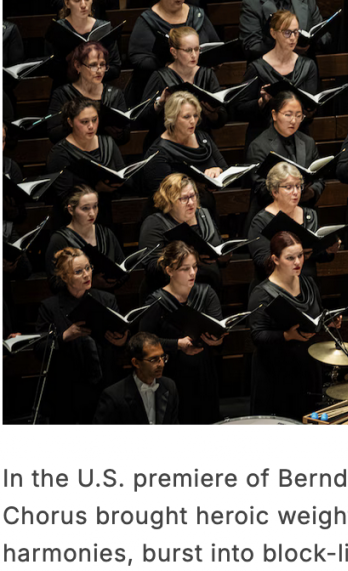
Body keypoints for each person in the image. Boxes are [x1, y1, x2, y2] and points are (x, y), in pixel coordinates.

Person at [247, 231, 339, 419]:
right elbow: (257, 335)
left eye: (300, 255)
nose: (297, 262)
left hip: (307, 365)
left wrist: (329, 320)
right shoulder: (261, 293)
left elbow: (316, 315)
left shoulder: (309, 283)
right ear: (275, 259)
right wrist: (287, 335)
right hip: (275, 372)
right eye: (290, 258)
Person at [36, 247, 128, 423]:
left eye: (88, 268)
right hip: (68, 389)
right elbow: (40, 349)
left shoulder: (107, 300)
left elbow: (120, 337)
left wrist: (122, 340)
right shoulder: (50, 307)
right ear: (65, 277)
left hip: (105, 385)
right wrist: (64, 336)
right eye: (78, 271)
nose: (87, 274)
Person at [139, 241, 224, 424]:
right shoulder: (157, 301)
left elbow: (218, 331)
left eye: (194, 266)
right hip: (171, 372)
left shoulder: (207, 293)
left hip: (203, 371)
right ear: (169, 270)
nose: (192, 273)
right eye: (185, 269)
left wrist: (217, 340)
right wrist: (177, 344)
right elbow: (143, 340)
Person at [127, 0, 217, 100]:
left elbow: (214, 44)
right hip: (160, 87)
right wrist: (168, 64)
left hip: (196, 83)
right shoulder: (148, 19)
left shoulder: (197, 15)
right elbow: (137, 57)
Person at [236, 9, 320, 145]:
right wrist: (262, 102)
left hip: (297, 137)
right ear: (273, 33)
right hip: (264, 137)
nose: (293, 38)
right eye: (287, 32)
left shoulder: (308, 65)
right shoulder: (257, 67)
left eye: (296, 32)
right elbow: (240, 109)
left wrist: (309, 111)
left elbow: (310, 110)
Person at [247, 161, 341, 283]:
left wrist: (328, 250)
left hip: (307, 284)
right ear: (275, 192)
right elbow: (263, 262)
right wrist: (296, 254)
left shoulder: (309, 214)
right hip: (275, 287)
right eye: (288, 187)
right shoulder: (261, 221)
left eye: (298, 186)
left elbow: (315, 254)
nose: (296, 192)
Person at [137, 173, 225, 295]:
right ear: (169, 201)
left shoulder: (204, 214)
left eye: (193, 196)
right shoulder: (155, 223)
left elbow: (218, 247)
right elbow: (151, 267)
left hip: (208, 290)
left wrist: (224, 256)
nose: (191, 202)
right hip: (170, 295)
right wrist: (188, 260)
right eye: (184, 198)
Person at [139, 25, 227, 147]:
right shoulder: (159, 76)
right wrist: (160, 103)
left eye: (197, 49)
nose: (194, 55)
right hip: (167, 144)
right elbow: (142, 119)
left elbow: (221, 118)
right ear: (174, 52)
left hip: (200, 142)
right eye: (188, 50)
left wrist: (211, 114)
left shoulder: (207, 74)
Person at [45, 95, 126, 218]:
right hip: (75, 218)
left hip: (106, 211)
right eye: (84, 122)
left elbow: (122, 174)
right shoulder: (59, 153)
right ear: (70, 122)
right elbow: (65, 198)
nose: (91, 126)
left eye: (94, 119)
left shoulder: (108, 142)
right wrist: (96, 188)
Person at [245, 89, 326, 210]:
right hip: (270, 213)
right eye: (288, 115)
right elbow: (261, 188)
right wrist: (290, 191)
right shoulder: (258, 146)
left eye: (298, 116)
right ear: (274, 115)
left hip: (303, 210)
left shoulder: (308, 142)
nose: (293, 121)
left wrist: (312, 191)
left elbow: (319, 179)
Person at [137, 91, 225, 197]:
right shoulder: (158, 152)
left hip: (210, 205)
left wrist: (218, 170)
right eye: (186, 116)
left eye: (195, 115)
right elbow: (163, 196)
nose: (193, 121)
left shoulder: (203, 137)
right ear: (172, 118)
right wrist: (200, 185)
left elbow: (225, 169)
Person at [46, 41, 129, 145]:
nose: (99, 71)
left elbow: (126, 136)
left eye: (102, 65)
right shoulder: (62, 94)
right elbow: (53, 134)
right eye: (93, 65)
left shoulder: (115, 94)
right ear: (78, 66)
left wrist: (119, 133)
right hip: (73, 152)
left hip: (105, 151)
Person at [43, 185, 124, 289]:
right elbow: (55, 283)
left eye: (95, 206)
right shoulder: (60, 240)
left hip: (107, 296)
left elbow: (122, 267)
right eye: (85, 208)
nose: (92, 213)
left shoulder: (106, 234)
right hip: (76, 299)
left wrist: (116, 279)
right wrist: (91, 283)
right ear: (71, 210)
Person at [44, 0, 122, 83]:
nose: (83, 5)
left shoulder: (104, 28)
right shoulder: (57, 29)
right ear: (67, 3)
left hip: (97, 86)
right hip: (67, 87)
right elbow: (50, 70)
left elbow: (115, 68)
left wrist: (93, 72)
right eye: (77, 0)